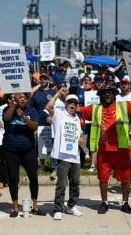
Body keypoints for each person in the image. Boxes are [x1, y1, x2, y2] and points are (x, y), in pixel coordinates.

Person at [78, 84, 131, 214]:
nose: (107, 94)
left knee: (125, 177)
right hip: (103, 150)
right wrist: (63, 100)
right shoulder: (94, 108)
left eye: (110, 92)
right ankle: (104, 203)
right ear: (100, 96)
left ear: (114, 95)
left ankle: (125, 203)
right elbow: (76, 110)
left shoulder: (123, 106)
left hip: (121, 149)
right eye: (104, 93)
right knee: (103, 178)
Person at [2, 92, 46, 217]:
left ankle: (35, 206)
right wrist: (14, 105)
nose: (22, 99)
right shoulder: (7, 109)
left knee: (33, 177)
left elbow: (34, 127)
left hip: (28, 150)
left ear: (28, 100)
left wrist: (24, 118)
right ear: (15, 98)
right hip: (11, 149)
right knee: (13, 179)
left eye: (25, 97)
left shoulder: (32, 111)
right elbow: (7, 118)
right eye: (20, 97)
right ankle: (15, 208)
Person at [45, 90, 83, 220]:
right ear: (66, 104)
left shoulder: (77, 118)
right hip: (62, 156)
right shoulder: (59, 114)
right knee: (61, 184)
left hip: (75, 156)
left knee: (75, 183)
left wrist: (81, 139)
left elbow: (80, 134)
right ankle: (58, 208)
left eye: (75, 103)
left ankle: (71, 206)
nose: (72, 104)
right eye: (70, 102)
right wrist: (56, 95)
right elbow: (48, 107)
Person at [30, 73, 56, 172]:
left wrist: (52, 116)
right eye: (41, 79)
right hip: (39, 123)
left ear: (48, 80)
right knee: (41, 145)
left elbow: (57, 107)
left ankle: (54, 166)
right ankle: (42, 165)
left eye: (45, 79)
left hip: (52, 123)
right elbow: (31, 108)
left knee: (52, 144)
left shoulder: (53, 93)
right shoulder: (36, 94)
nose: (43, 81)